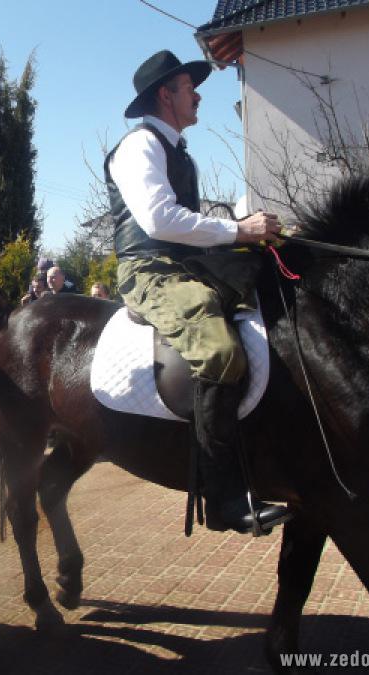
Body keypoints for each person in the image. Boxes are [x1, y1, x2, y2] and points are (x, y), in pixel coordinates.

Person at [105, 50, 290, 534]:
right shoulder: (139, 146)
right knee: (218, 352)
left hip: (185, 264)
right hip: (148, 270)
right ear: (166, 96)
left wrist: (255, 237)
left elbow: (188, 226)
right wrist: (238, 230)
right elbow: (159, 220)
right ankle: (222, 497)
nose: (199, 95)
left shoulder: (177, 150)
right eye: (190, 88)